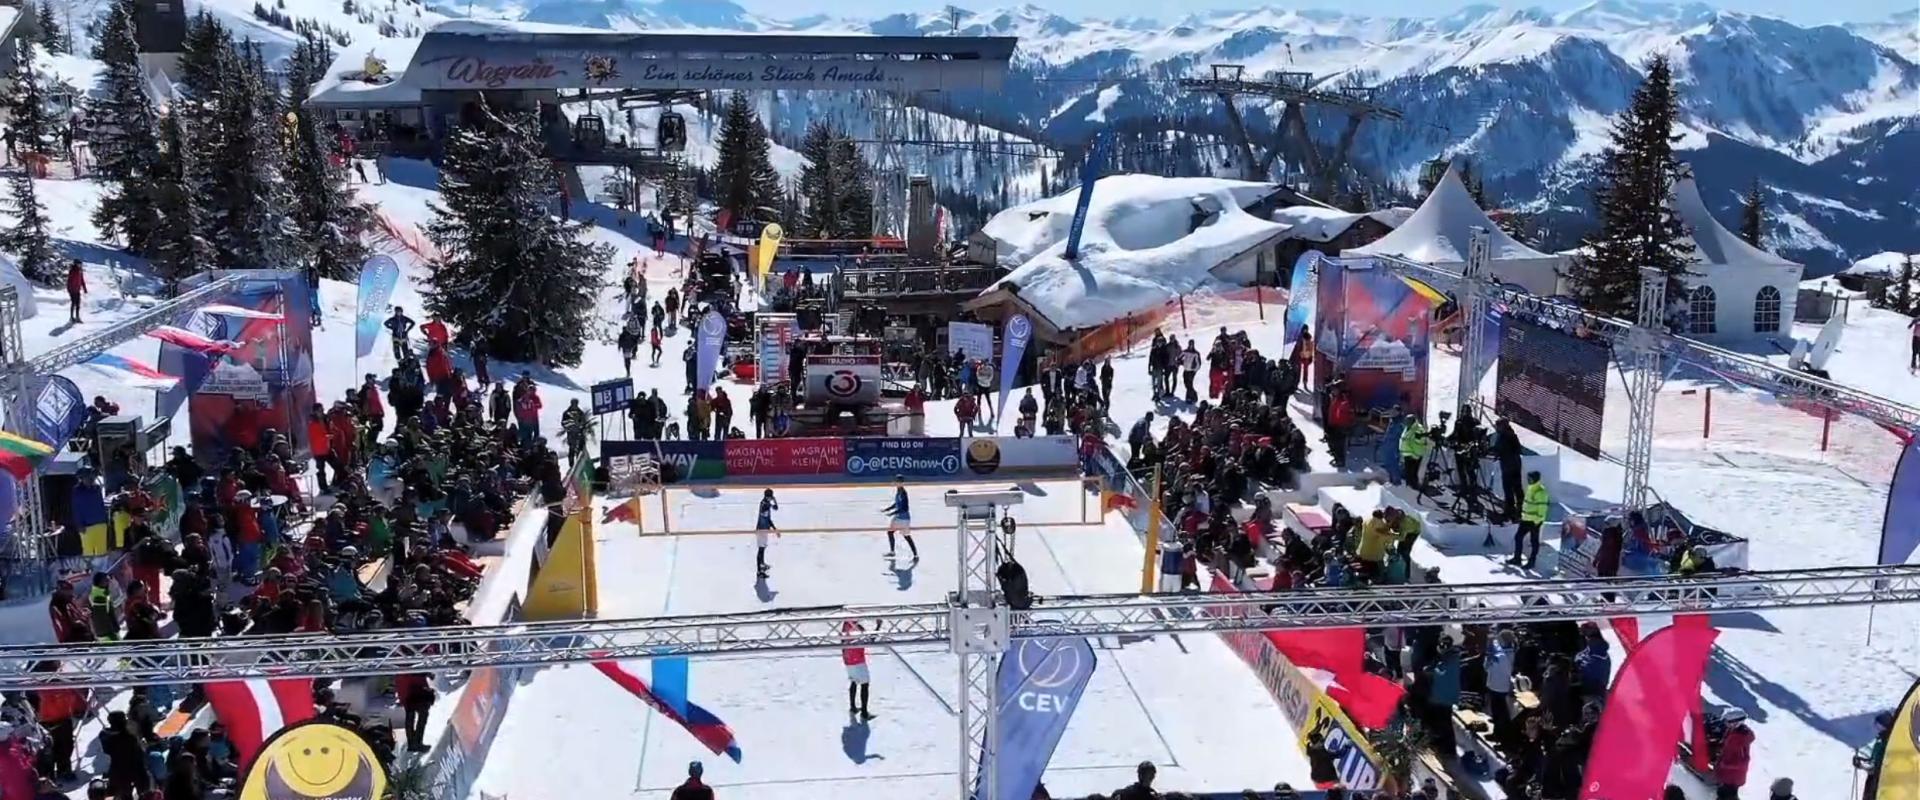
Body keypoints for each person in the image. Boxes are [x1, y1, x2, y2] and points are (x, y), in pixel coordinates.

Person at [1510, 471, 1548, 569]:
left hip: (1534, 521)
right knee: (1518, 537)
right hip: (1525, 519)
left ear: (1535, 479)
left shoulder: (1540, 492)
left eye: (1530, 478)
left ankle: (1532, 562)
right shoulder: (1530, 488)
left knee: (1534, 542)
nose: (1528, 480)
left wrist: (1537, 521)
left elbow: (1542, 509)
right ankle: (1517, 558)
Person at [1715, 709, 1754, 799]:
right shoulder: (1732, 732)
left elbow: (1743, 762)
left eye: (1728, 722)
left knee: (1727, 796)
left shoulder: (1741, 739)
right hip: (1726, 775)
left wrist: (1725, 764)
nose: (1726, 724)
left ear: (1736, 722)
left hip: (1733, 778)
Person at [1493, 416, 1524, 521]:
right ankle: (1517, 511)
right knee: (1516, 489)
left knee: (1510, 490)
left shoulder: (1505, 436)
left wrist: (1496, 452)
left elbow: (1500, 449)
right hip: (1515, 465)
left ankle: (1511, 511)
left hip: (1509, 466)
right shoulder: (1511, 435)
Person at [881, 476, 918, 559]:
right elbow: (896, 503)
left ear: (902, 483)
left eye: (898, 482)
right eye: (896, 482)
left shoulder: (903, 493)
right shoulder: (898, 491)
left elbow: (904, 507)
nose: (897, 483)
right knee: (892, 533)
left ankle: (914, 553)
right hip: (900, 517)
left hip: (903, 518)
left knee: (905, 536)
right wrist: (887, 509)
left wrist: (892, 513)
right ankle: (894, 552)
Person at [843, 620, 872, 719]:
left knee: (854, 681)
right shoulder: (857, 629)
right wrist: (878, 626)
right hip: (858, 660)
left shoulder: (845, 626)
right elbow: (871, 640)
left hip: (848, 660)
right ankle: (864, 712)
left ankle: (853, 707)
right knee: (865, 684)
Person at [1399, 411, 1431, 493]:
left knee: (1413, 472)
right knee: (1408, 472)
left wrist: (1416, 453)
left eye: (1408, 421)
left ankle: (1414, 488)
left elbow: (1420, 441)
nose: (1406, 422)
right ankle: (1409, 487)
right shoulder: (1408, 427)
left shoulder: (1418, 428)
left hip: (1414, 454)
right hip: (1407, 453)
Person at [755, 489, 779, 579]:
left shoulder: (766, 503)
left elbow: (776, 508)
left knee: (763, 548)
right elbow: (768, 519)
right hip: (761, 530)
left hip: (764, 529)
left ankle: (762, 564)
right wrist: (775, 529)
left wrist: (774, 500)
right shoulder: (765, 505)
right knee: (761, 550)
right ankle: (759, 571)